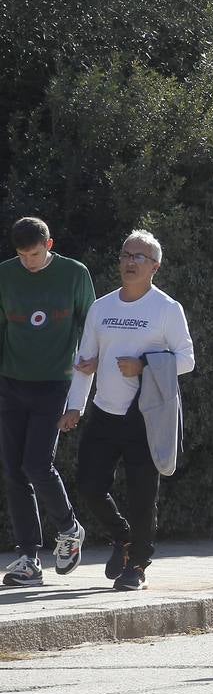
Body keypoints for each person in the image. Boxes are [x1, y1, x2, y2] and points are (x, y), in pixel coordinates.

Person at [65, 230, 195, 591]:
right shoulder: (102, 307)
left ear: (155, 266)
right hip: (105, 411)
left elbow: (187, 359)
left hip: (146, 415)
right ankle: (123, 538)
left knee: (142, 495)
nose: (130, 261)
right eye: (125, 254)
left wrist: (144, 366)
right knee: (90, 485)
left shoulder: (167, 309)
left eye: (139, 257)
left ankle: (136, 566)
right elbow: (85, 360)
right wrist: (74, 406)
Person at [0, 217, 95, 586]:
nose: (29, 261)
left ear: (49, 245)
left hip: (55, 382)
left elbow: (91, 325)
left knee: (37, 464)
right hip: (10, 382)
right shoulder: (5, 274)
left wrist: (88, 374)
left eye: (35, 254)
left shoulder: (74, 274)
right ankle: (28, 558)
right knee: (13, 470)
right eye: (22, 255)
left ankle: (69, 529)